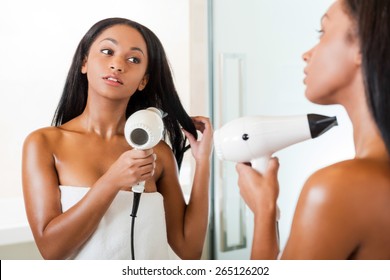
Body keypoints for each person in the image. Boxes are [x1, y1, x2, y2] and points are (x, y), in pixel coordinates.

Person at [22, 17, 213, 260]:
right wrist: (112, 181)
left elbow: (189, 250)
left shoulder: (157, 152)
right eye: (107, 51)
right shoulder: (44, 144)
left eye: (134, 59)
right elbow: (52, 251)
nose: (117, 65)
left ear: (143, 80)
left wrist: (203, 160)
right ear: (84, 62)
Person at [236, 0, 390, 259]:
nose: (306, 54)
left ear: (363, 46)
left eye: (323, 32)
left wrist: (264, 212)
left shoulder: (338, 189)